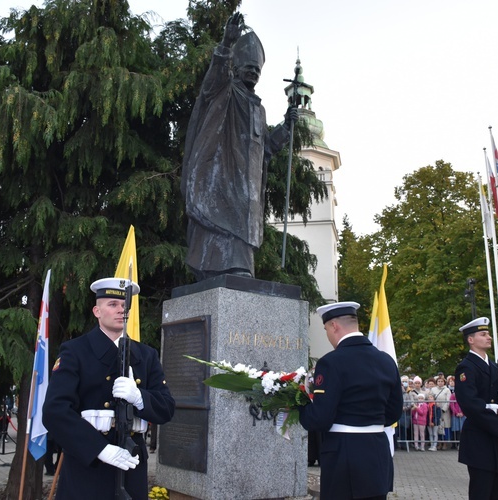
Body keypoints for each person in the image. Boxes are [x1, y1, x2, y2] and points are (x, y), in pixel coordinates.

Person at [181, 12, 297, 280]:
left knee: (242, 224)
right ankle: (226, 268)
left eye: (258, 69)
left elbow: (264, 149)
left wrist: (285, 129)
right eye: (250, 67)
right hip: (220, 174)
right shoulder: (225, 90)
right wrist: (225, 45)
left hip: (248, 185)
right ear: (236, 66)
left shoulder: (259, 109)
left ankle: (239, 268)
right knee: (219, 218)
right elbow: (211, 84)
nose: (254, 72)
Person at [43, 277, 176, 500]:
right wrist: (100, 449)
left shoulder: (146, 355)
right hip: (88, 467)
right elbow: (55, 411)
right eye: (112, 305)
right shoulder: (75, 352)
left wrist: (139, 397)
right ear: (97, 311)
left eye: (125, 305)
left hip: (131, 464)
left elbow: (166, 408)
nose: (120, 310)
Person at [299, 301, 402, 500]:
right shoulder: (386, 361)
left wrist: (299, 406)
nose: (328, 335)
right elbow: (393, 412)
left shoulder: (331, 362)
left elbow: (320, 418)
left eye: (326, 329)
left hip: (344, 457)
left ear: (334, 326)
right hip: (378, 454)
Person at [454, 317, 498, 500]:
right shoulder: (466, 367)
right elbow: (470, 404)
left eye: (488, 333)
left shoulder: (496, 367)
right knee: (481, 493)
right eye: (483, 334)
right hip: (480, 440)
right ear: (471, 339)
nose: (489, 337)